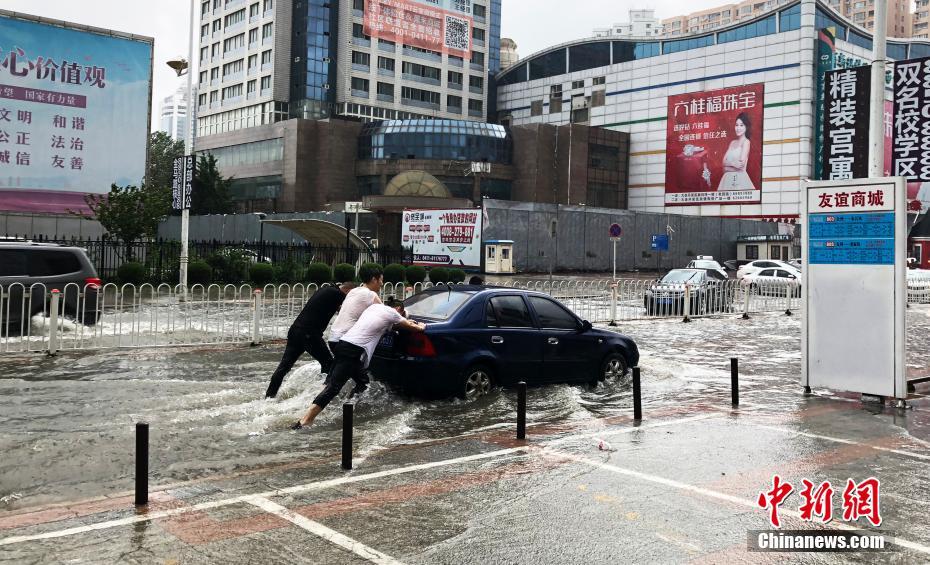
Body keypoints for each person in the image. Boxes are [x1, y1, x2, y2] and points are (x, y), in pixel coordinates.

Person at [292, 298, 425, 429]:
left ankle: (347, 408)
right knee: (334, 387)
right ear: (398, 310)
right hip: (352, 351)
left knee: (362, 382)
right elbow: (413, 328)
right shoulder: (392, 313)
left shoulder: (374, 308)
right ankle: (306, 420)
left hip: (343, 344)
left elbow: (386, 325)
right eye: (400, 314)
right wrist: (421, 326)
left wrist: (402, 322)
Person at [264, 282, 356, 399]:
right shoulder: (338, 294)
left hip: (295, 330)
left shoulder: (327, 289)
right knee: (328, 364)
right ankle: (320, 397)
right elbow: (350, 310)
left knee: (284, 367)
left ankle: (269, 396)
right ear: (348, 291)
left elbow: (332, 307)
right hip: (310, 334)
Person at [715, 112, 755, 191]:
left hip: (739, 180)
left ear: (746, 127)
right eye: (736, 125)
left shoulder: (746, 142)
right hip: (726, 180)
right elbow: (723, 162)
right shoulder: (732, 143)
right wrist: (733, 164)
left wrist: (727, 167)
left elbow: (741, 167)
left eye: (741, 125)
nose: (738, 128)